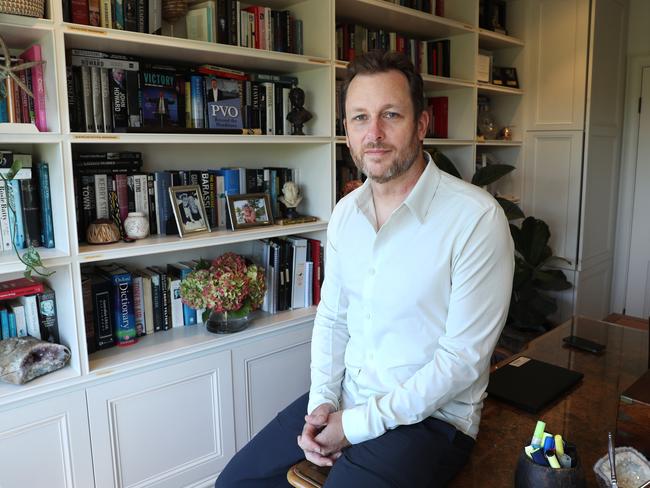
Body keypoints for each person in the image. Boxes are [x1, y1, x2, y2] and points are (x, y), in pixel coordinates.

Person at [216, 50, 514, 487]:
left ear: (422, 124)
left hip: (433, 420)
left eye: (390, 114)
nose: (373, 133)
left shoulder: (475, 219)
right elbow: (333, 319)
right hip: (347, 399)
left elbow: (462, 362)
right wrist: (322, 403)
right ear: (347, 130)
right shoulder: (345, 214)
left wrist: (353, 426)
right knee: (235, 482)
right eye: (359, 118)